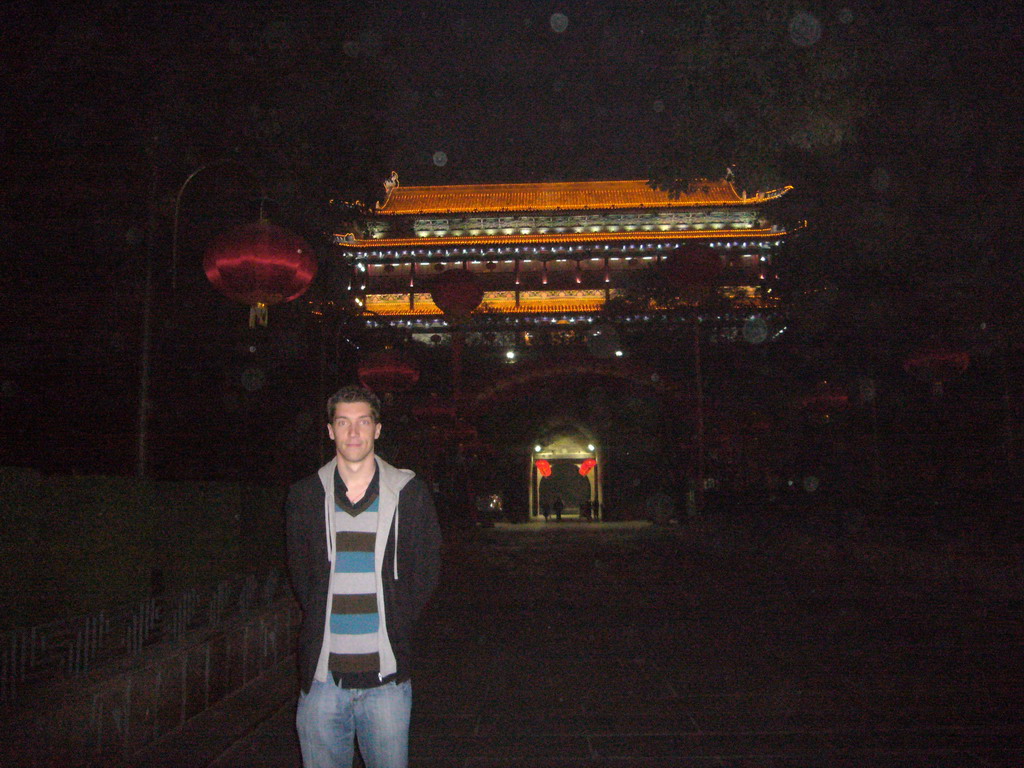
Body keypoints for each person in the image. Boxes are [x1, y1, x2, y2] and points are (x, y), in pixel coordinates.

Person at [286, 385, 442, 768]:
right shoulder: (305, 496)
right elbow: (302, 577)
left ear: (377, 429)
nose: (353, 433)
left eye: (362, 422)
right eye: (343, 422)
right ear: (330, 431)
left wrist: (397, 623)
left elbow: (425, 571)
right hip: (323, 681)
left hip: (386, 680)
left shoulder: (410, 494)